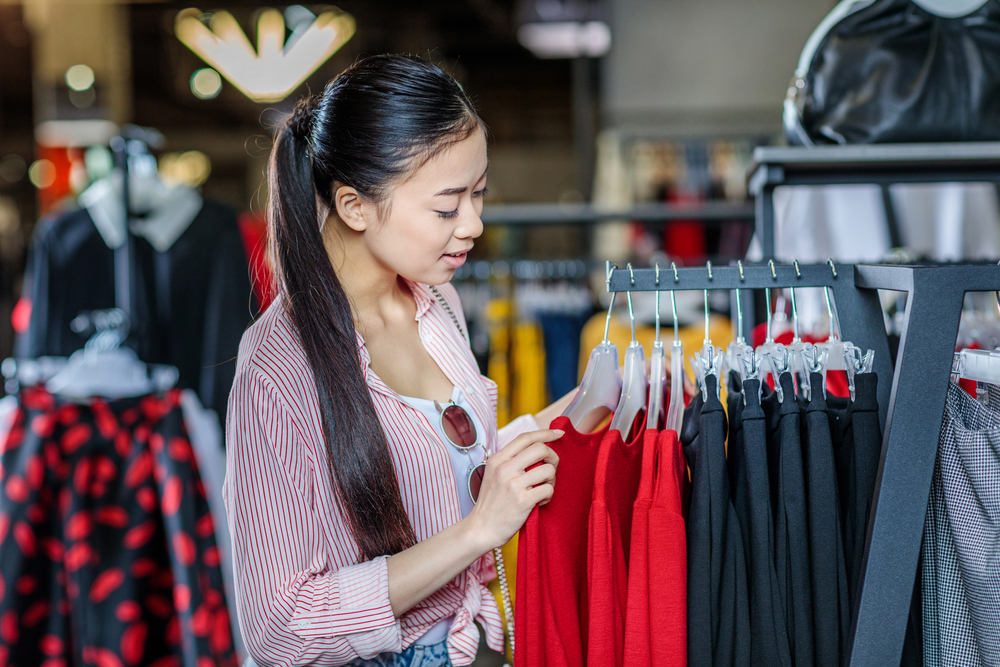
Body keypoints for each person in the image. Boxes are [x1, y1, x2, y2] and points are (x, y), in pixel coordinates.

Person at [224, 54, 578, 667]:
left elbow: (448, 471)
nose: (473, 224)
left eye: (480, 194)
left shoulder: (435, 301)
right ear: (355, 205)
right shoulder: (276, 367)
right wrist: (476, 533)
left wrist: (590, 407)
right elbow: (279, 628)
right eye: (447, 206)